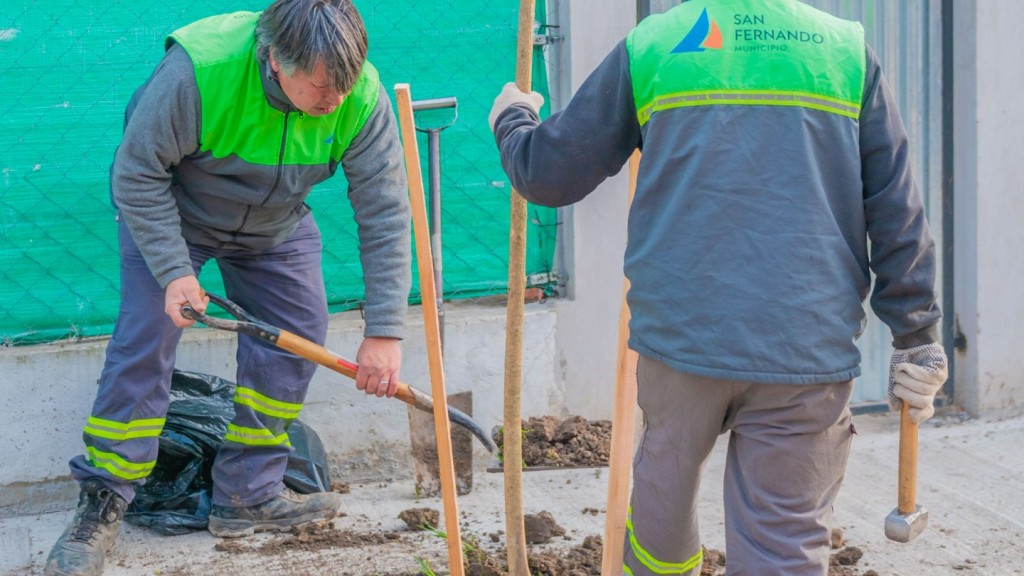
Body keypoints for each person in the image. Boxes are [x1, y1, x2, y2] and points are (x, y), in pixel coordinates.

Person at [489, 1, 947, 575]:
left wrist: (513, 119)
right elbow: (897, 209)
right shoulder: (844, 52)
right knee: (783, 549)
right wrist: (917, 336)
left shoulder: (655, 46)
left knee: (661, 528)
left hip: (683, 342)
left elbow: (548, 175)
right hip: (804, 347)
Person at [45, 0, 411, 574]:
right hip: (173, 217)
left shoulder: (361, 95)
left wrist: (385, 329)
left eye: (344, 85)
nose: (335, 101)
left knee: (297, 335)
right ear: (275, 60)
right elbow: (137, 173)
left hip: (275, 224)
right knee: (146, 340)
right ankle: (102, 501)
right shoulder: (200, 71)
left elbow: (384, 211)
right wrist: (173, 271)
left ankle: (248, 494)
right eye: (322, 87)